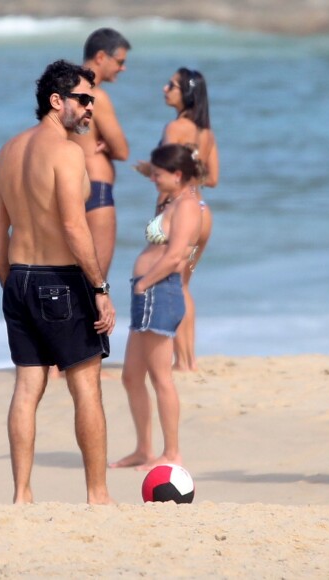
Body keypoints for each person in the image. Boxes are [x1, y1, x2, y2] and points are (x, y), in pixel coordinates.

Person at [0, 59, 116, 504]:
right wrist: (99, 289)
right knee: (86, 386)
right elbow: (73, 225)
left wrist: (10, 283)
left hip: (18, 278)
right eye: (82, 101)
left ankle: (22, 494)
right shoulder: (66, 152)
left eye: (93, 103)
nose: (88, 111)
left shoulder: (6, 151)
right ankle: (97, 495)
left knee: (27, 387)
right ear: (56, 100)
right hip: (60, 280)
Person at [109, 144, 202, 470]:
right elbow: (159, 175)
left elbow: (176, 255)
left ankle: (172, 453)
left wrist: (146, 283)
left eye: (159, 174)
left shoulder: (188, 206)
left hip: (158, 292)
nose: (153, 178)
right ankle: (143, 449)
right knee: (132, 376)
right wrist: (147, 167)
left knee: (161, 377)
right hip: (146, 292)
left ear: (177, 175)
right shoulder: (171, 199)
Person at [135, 68, 219, 372]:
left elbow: (165, 172)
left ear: (186, 93)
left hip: (175, 210)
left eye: (171, 85)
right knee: (184, 283)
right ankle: (188, 358)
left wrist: (149, 170)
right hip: (201, 212)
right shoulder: (206, 132)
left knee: (174, 283)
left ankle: (182, 361)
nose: (164, 88)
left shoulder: (174, 128)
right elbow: (213, 178)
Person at [70, 27, 131, 278]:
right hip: (96, 190)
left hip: (67, 188)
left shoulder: (62, 93)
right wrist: (106, 141)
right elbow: (122, 151)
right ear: (101, 57)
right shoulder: (97, 97)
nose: (123, 68)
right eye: (120, 61)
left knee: (67, 276)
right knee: (96, 282)